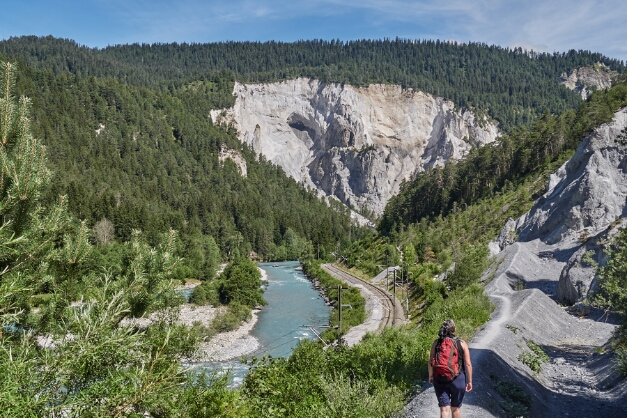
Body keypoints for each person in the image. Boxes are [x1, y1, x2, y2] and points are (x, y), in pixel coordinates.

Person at [428, 319, 473, 418]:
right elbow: (468, 364)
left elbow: (431, 360)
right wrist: (469, 381)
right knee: (455, 409)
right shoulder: (461, 343)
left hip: (439, 377)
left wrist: (431, 375)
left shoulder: (437, 343)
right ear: (454, 330)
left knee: (444, 409)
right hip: (458, 379)